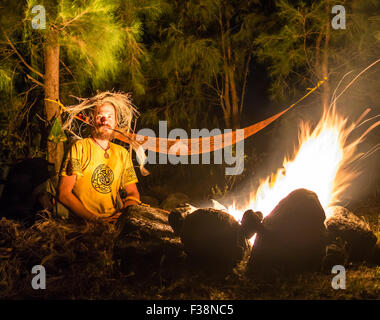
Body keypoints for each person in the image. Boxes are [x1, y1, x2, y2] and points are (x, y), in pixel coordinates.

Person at [57, 98, 141, 223]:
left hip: (113, 222)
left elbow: (133, 193)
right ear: (92, 121)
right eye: (99, 116)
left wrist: (123, 215)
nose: (104, 120)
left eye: (110, 116)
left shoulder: (122, 154)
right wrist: (96, 220)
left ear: (116, 122)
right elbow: (64, 194)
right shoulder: (80, 148)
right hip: (82, 222)